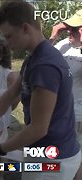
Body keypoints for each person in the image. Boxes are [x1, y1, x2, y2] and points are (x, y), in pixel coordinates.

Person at [0, 1, 81, 179]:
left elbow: (38, 129)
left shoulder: (45, 65)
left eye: (9, 36)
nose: (6, 43)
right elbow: (9, 95)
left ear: (25, 28)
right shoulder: (34, 58)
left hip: (53, 159)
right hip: (42, 151)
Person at [49, 9, 82, 180]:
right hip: (59, 114)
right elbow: (42, 60)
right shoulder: (64, 45)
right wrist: (54, 34)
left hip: (78, 117)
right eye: (68, 27)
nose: (69, 31)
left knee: (77, 159)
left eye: (75, 29)